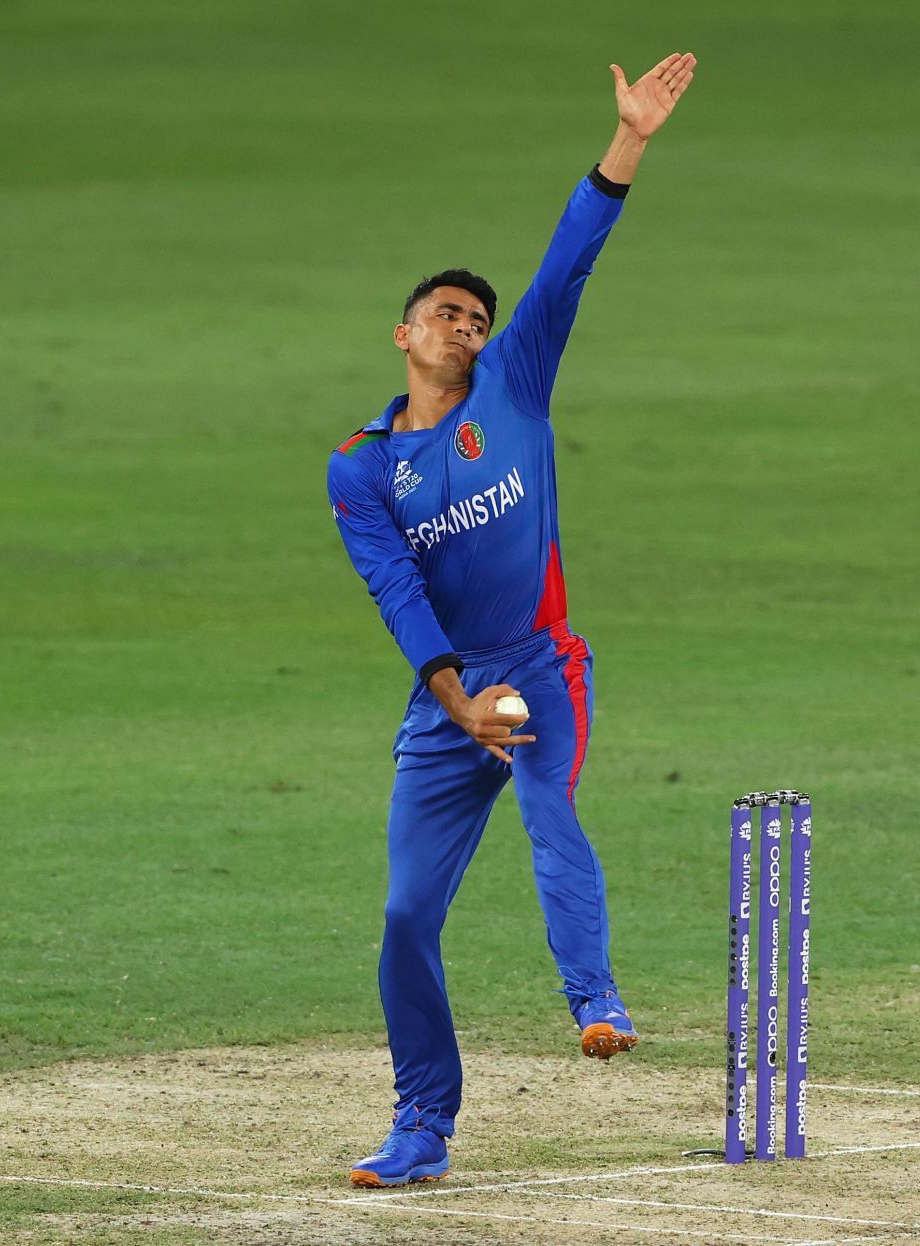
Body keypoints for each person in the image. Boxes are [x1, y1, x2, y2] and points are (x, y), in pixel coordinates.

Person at [326, 52, 697, 1188]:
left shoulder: (516, 384)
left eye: (477, 318)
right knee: (401, 915)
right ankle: (421, 1126)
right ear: (403, 335)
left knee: (550, 811)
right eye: (446, 314)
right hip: (449, 696)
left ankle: (595, 1001)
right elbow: (396, 592)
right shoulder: (363, 467)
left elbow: (570, 262)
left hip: (543, 665)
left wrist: (627, 141)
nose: (467, 327)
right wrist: (458, 703)